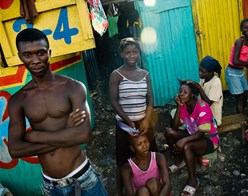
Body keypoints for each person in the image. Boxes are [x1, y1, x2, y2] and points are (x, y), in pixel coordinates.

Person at [8, 28, 108, 195]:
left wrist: (35, 136)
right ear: (20, 57)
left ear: (49, 52)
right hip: (50, 185)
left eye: (40, 53)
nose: (35, 60)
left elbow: (83, 135)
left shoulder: (73, 87)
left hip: (83, 178)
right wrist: (67, 133)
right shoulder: (19, 100)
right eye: (28, 55)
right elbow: (15, 150)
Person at [109, 37, 157, 195]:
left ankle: (153, 186)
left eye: (135, 52)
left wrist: (147, 120)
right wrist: (129, 122)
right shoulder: (116, 75)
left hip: (144, 123)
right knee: (123, 159)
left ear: (139, 53)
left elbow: (150, 99)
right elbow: (114, 102)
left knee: (149, 154)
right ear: (121, 54)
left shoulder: (145, 74)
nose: (131, 55)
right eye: (128, 52)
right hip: (124, 124)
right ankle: (121, 191)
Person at [165, 80, 219, 196]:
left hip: (208, 139)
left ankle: (193, 181)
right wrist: (178, 106)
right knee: (169, 132)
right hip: (193, 134)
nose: (181, 94)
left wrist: (184, 140)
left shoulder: (202, 106)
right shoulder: (184, 105)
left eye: (185, 92)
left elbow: (201, 133)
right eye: (180, 92)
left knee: (187, 146)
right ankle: (179, 161)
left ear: (193, 94)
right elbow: (174, 126)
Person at [225, 18, 248, 123]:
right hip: (232, 72)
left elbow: (243, 61)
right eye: (246, 27)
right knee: (240, 97)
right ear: (241, 29)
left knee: (245, 94)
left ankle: (241, 115)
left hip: (240, 73)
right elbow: (235, 61)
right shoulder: (239, 42)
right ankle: (241, 121)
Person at [181, 55, 223, 126]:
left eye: (203, 72)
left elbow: (208, 103)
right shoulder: (203, 78)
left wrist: (199, 87)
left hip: (212, 118)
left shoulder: (216, 82)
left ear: (211, 72)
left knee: (187, 123)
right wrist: (190, 84)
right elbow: (198, 93)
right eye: (199, 70)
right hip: (201, 112)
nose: (200, 73)